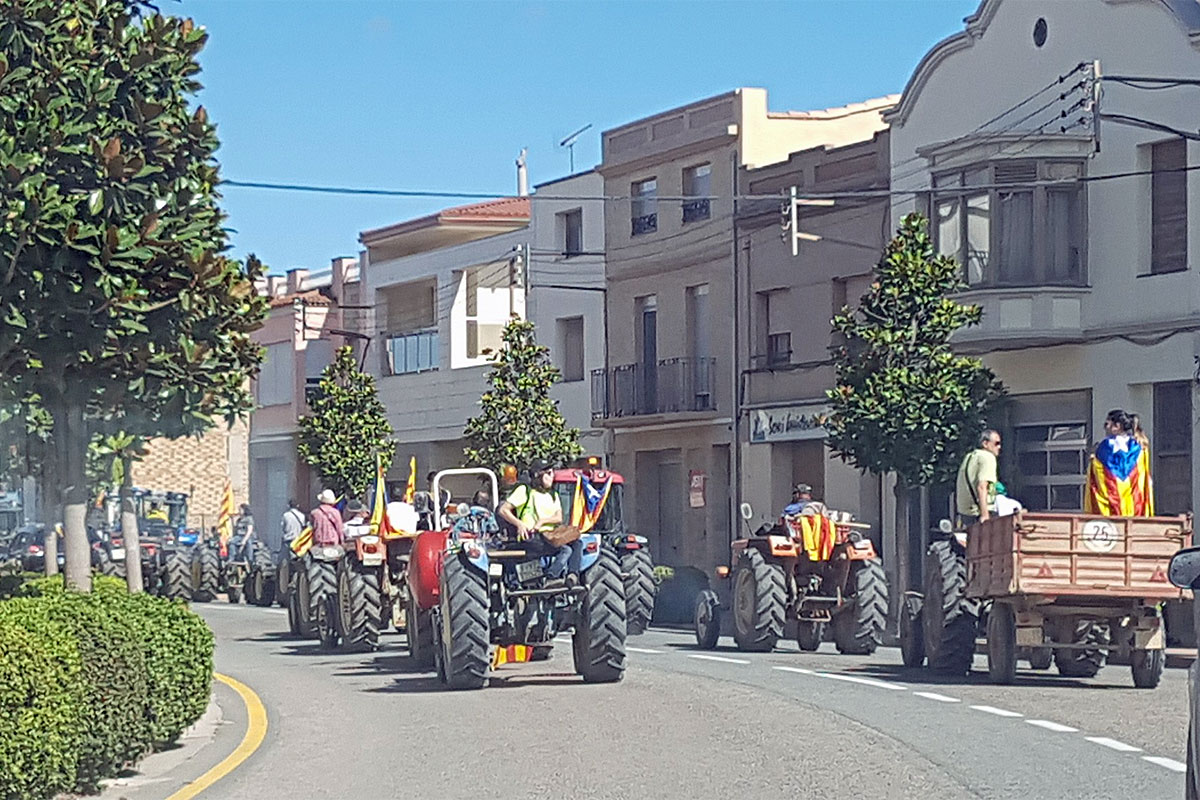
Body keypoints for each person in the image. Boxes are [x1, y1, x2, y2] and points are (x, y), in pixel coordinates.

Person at [498, 459, 580, 588]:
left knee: (577, 542)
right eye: (548, 473)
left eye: (553, 472)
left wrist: (542, 521)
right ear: (538, 475)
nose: (552, 476)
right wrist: (519, 524)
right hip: (532, 537)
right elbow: (503, 510)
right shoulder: (525, 491)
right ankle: (551, 578)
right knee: (565, 550)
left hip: (550, 536)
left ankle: (572, 575)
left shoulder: (553, 494)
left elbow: (558, 517)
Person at [1085, 409, 1154, 516]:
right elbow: (1143, 480)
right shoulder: (1139, 448)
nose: (1105, 428)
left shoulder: (1104, 448)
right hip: (1135, 511)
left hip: (1108, 515)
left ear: (1116, 426)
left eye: (1106, 424)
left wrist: (1092, 460)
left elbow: (1099, 480)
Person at [955, 429, 1002, 527]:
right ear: (985, 443)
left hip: (965, 512)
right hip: (979, 511)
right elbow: (982, 486)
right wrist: (985, 515)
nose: (999, 447)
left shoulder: (969, 457)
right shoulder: (988, 457)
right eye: (996, 443)